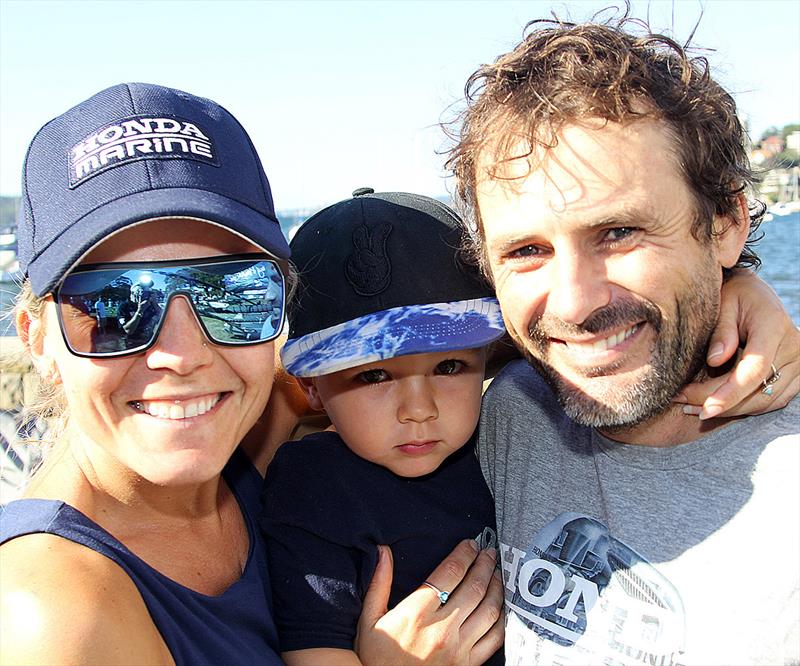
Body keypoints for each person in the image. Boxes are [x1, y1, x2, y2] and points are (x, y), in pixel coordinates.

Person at [0, 83, 504, 666]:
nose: (184, 355)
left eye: (232, 294)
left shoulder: (252, 436)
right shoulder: (54, 617)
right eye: (116, 305)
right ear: (37, 338)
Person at [441, 11, 800, 663]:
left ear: (725, 222)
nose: (575, 303)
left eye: (618, 233)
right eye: (526, 250)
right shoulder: (503, 413)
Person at [260, 189, 506, 665]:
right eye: (373, 375)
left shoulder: (503, 431)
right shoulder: (316, 486)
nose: (419, 409)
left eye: (450, 367)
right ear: (310, 387)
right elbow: (314, 653)